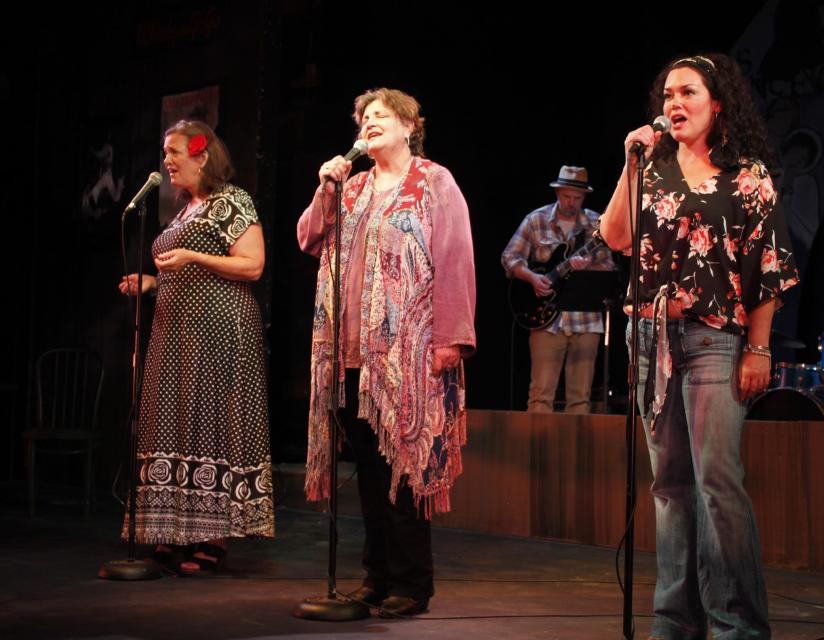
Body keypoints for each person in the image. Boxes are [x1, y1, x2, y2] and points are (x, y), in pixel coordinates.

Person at [598, 53, 799, 639]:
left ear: (718, 103)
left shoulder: (747, 174)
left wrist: (758, 349)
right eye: (666, 96)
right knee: (669, 485)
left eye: (687, 92)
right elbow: (615, 237)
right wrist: (630, 164)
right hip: (649, 338)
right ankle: (673, 623)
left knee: (717, 480)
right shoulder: (651, 165)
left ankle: (736, 625)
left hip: (715, 338)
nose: (674, 104)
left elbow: (767, 267)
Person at [297, 88, 476, 617]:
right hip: (350, 354)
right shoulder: (348, 188)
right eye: (363, 118)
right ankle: (376, 576)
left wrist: (451, 337)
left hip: (409, 353)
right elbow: (309, 239)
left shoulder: (434, 182)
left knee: (403, 468)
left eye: (380, 116)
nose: (369, 123)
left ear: (408, 126)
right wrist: (325, 190)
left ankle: (411, 583)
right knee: (370, 473)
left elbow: (456, 257)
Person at [118, 120, 274, 575]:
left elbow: (253, 265)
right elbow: (182, 271)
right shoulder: (186, 207)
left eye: (174, 152)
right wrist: (151, 282)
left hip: (220, 332)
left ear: (201, 155)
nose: (167, 161)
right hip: (176, 333)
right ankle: (174, 531)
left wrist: (191, 257)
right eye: (165, 152)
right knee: (174, 422)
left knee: (210, 421)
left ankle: (213, 536)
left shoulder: (232, 201)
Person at [501, 166, 617, 413]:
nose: (571, 202)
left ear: (584, 197)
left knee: (580, 398)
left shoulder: (597, 224)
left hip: (586, 321)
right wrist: (532, 278)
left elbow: (609, 267)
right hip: (546, 321)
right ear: (558, 192)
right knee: (541, 394)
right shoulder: (536, 220)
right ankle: (536, 450)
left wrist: (589, 266)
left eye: (577, 198)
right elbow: (509, 257)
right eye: (566, 196)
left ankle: (574, 451)